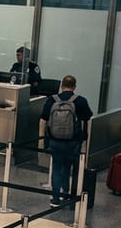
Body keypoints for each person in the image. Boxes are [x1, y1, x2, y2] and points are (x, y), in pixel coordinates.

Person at [40, 75, 93, 207]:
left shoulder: (52, 100)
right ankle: (69, 195)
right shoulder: (80, 101)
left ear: (61, 86)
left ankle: (55, 198)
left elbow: (43, 119)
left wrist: (42, 139)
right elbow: (88, 118)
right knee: (71, 168)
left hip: (55, 140)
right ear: (74, 87)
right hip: (73, 142)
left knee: (57, 168)